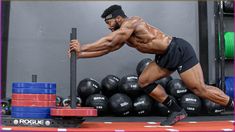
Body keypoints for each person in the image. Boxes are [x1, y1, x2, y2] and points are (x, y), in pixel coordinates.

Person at [69, 5, 234, 126]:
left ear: (118, 18)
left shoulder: (132, 22)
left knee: (200, 89)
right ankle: (177, 110)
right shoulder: (124, 35)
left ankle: (232, 105)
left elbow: (110, 40)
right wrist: (81, 55)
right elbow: (107, 49)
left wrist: (82, 46)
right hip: (163, 56)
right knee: (144, 81)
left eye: (109, 22)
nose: (108, 26)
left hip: (178, 49)